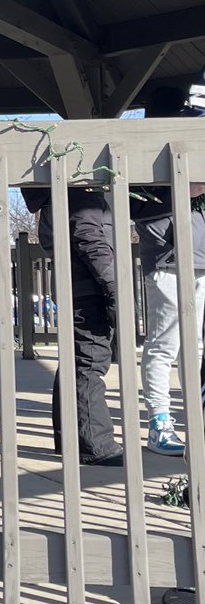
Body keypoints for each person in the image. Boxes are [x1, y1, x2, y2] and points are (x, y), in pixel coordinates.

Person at [21, 186, 123, 466]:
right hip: (89, 288)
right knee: (90, 363)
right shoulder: (79, 192)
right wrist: (115, 290)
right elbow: (91, 240)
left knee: (75, 362)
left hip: (75, 286)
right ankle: (96, 445)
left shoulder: (57, 195)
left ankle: (69, 438)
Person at [133, 83, 205, 457]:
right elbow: (139, 204)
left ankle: (193, 419)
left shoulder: (184, 140)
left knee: (193, 346)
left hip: (196, 256)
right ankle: (159, 422)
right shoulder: (142, 149)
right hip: (164, 257)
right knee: (164, 345)